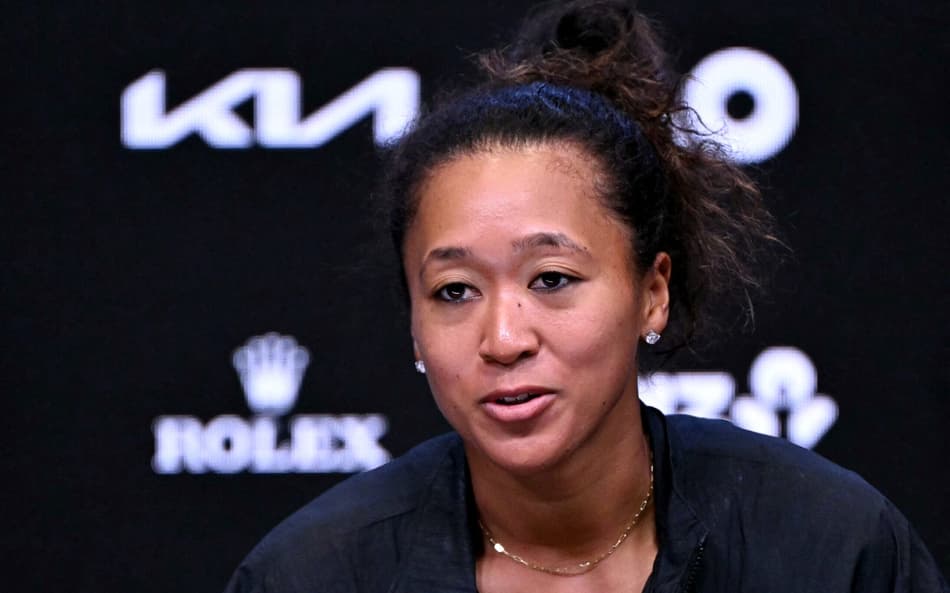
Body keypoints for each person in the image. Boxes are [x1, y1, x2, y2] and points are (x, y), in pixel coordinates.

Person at [224, 1, 947, 591]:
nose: (504, 339)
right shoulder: (313, 574)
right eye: (454, 290)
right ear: (415, 326)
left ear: (652, 291)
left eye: (552, 279)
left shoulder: (830, 546)